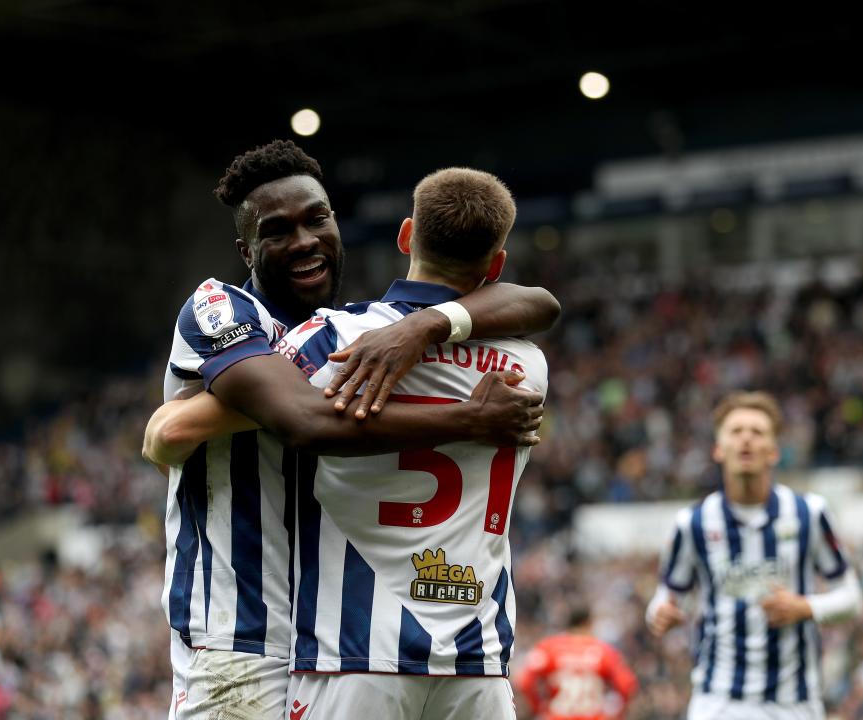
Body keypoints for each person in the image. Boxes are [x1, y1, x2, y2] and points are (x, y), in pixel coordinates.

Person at [146, 140, 560, 720]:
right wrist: (470, 416)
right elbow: (296, 419)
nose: (304, 241)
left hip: (335, 634)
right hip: (244, 631)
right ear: (246, 250)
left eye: (317, 219)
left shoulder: (356, 334)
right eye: (277, 231)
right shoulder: (224, 311)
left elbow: (538, 301)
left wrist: (426, 325)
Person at [267, 167, 547, 719]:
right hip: (478, 662)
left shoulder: (332, 341)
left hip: (352, 655)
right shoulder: (526, 365)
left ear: (405, 236)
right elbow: (537, 304)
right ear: (496, 265)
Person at [645, 391, 863, 720]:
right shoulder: (693, 523)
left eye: (757, 432)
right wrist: (659, 614)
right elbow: (665, 598)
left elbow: (852, 598)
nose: (746, 439)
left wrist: (805, 607)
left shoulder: (809, 513)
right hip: (718, 702)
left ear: (774, 451)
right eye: (736, 431)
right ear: (718, 449)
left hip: (794, 703)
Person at [515, 607, 638, 720]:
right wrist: (618, 714)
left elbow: (524, 682)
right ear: (588, 623)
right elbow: (626, 685)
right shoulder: (604, 650)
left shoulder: (548, 648)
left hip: (557, 716)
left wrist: (539, 708)